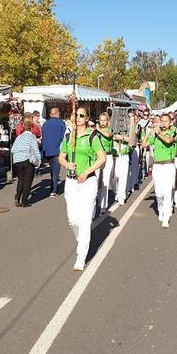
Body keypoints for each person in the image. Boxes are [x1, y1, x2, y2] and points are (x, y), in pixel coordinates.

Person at [59, 107, 106, 271]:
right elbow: (61, 157)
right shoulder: (68, 136)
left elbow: (102, 158)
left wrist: (87, 172)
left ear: (86, 118)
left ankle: (81, 256)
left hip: (87, 182)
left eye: (81, 116)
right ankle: (82, 239)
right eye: (76, 115)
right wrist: (66, 164)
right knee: (73, 219)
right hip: (71, 182)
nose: (78, 118)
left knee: (85, 220)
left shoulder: (92, 136)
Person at [142, 113, 177, 228]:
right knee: (158, 193)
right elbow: (144, 144)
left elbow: (169, 141)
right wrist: (149, 133)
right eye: (162, 121)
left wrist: (158, 133)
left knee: (168, 192)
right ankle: (161, 209)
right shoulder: (155, 134)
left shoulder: (174, 131)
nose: (163, 123)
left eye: (166, 121)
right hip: (157, 166)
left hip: (168, 165)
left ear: (170, 123)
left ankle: (166, 217)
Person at [12, 120, 41, 207]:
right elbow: (36, 150)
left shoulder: (18, 137)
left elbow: (13, 149)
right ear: (31, 128)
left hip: (17, 161)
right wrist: (38, 161)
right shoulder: (32, 137)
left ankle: (17, 197)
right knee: (27, 181)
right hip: (27, 160)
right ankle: (24, 201)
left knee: (21, 179)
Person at [41, 107, 66, 197]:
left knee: (52, 169)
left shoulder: (45, 124)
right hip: (57, 150)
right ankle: (54, 190)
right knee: (56, 171)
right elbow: (63, 137)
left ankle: (53, 186)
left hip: (47, 150)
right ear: (57, 113)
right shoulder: (61, 123)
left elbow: (43, 136)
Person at [113, 116, 136, 205]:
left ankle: (121, 196)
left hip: (124, 155)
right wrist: (115, 135)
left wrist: (122, 138)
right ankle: (117, 191)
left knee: (123, 177)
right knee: (115, 177)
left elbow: (132, 141)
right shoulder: (113, 127)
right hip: (115, 156)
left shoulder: (130, 128)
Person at [95, 112, 115, 213]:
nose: (102, 122)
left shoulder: (110, 130)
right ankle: (97, 200)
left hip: (108, 156)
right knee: (97, 179)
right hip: (97, 157)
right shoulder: (96, 131)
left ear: (107, 121)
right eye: (100, 120)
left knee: (105, 180)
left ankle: (103, 205)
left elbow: (108, 135)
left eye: (104, 120)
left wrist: (98, 129)